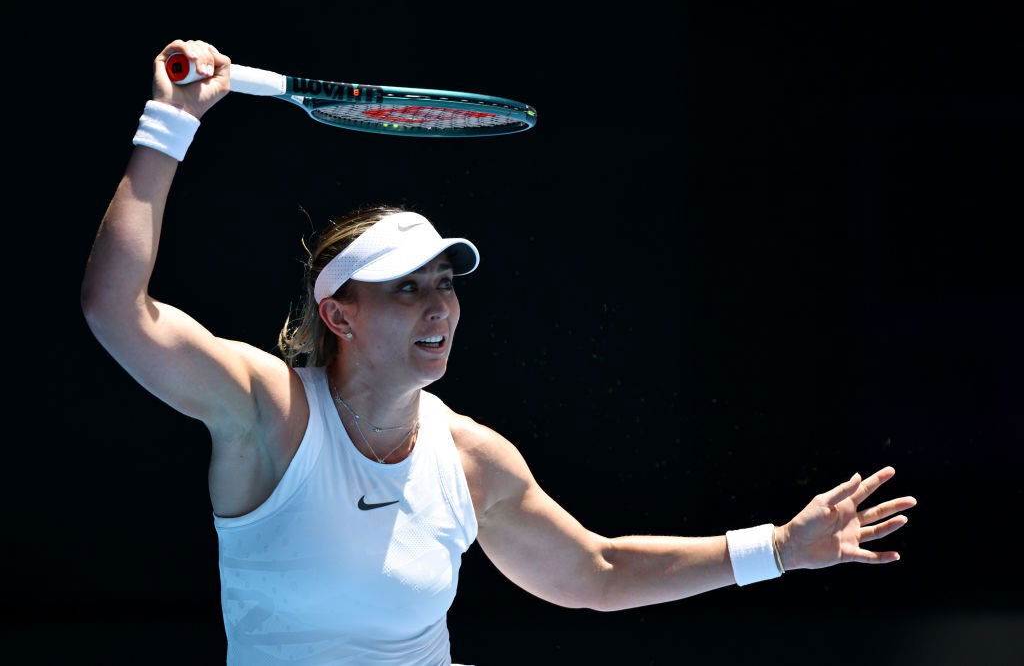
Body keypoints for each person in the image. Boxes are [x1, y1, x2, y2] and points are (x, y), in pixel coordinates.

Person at [81, 39, 918, 665]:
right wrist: (170, 122)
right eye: (406, 287)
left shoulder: (471, 458)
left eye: (445, 282)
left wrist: (775, 548)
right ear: (339, 315)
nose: (440, 303)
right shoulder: (270, 411)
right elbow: (117, 309)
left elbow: (594, 570)